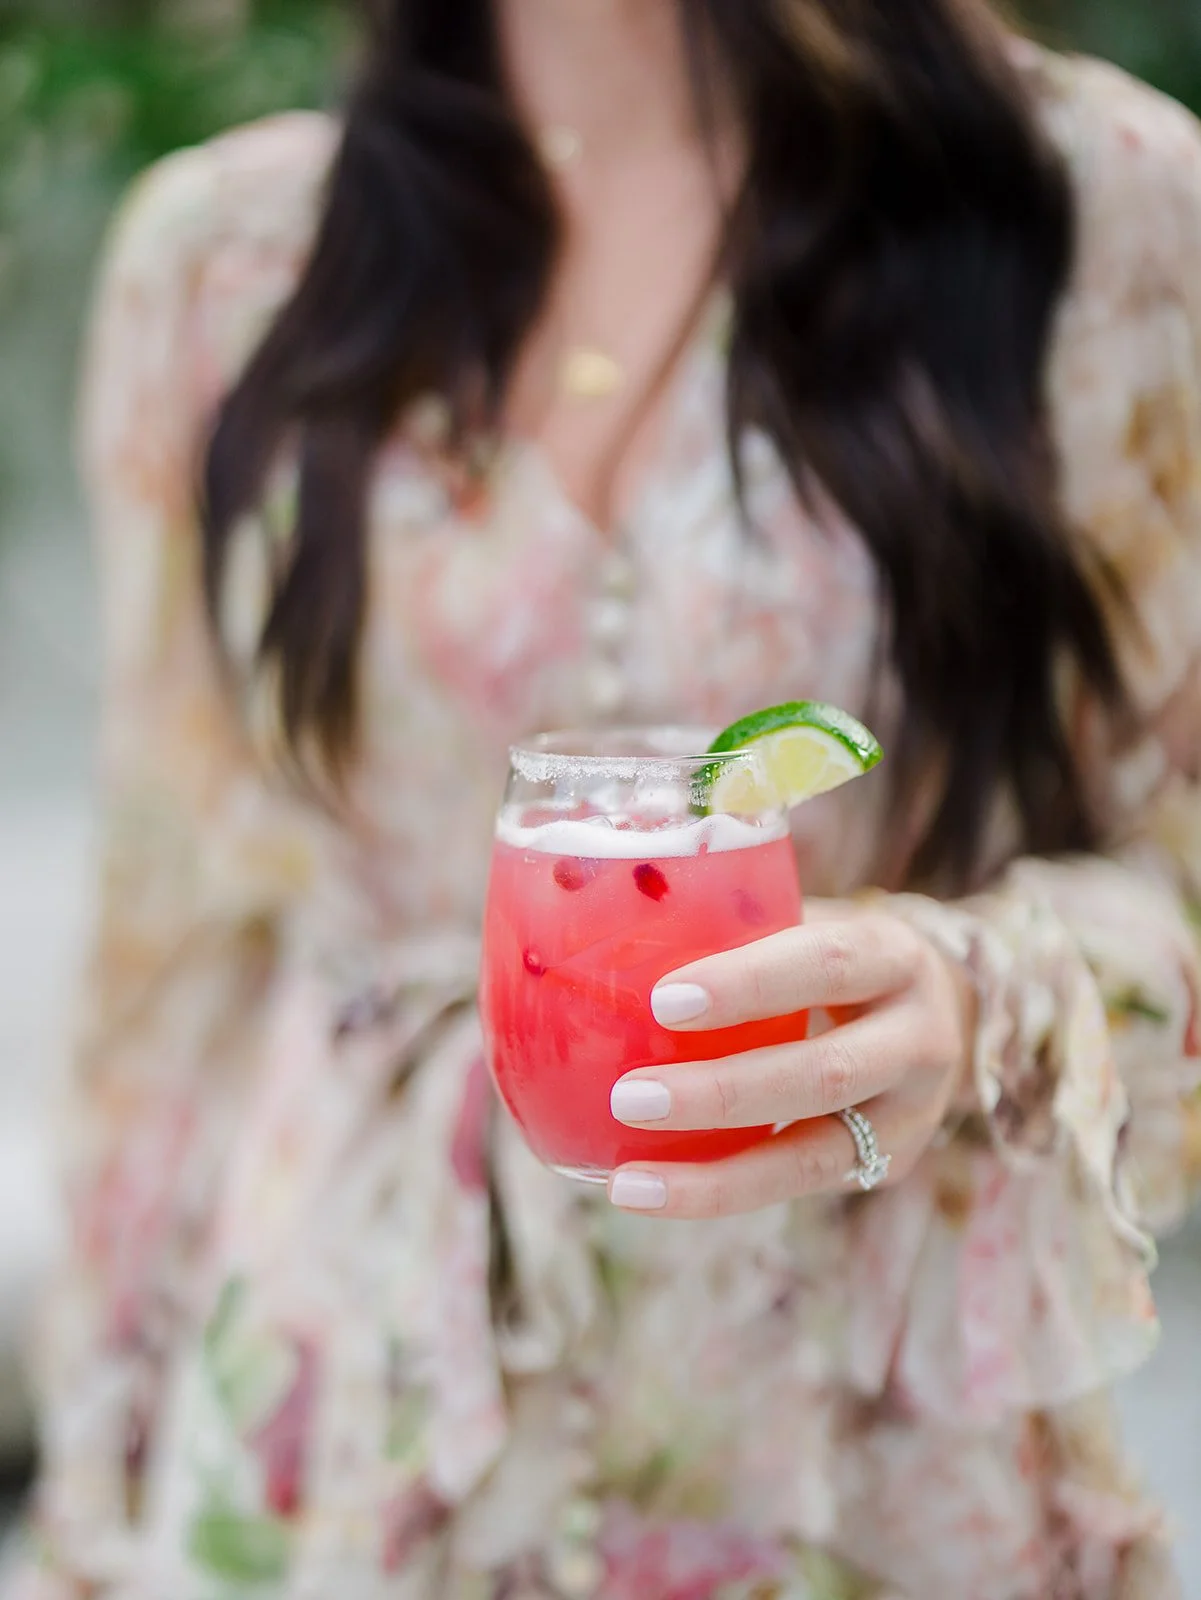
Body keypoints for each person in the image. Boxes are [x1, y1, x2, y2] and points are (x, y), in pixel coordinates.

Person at [8, 0, 1201, 1593]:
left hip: (860, 1475)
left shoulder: (1107, 213)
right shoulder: (227, 266)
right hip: (338, 1456)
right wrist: (97, 1505)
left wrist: (981, 994)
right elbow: (173, 966)